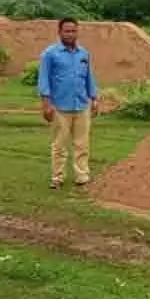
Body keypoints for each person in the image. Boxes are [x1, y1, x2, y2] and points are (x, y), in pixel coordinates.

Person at [37, 17, 99, 189]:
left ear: (77, 32)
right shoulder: (50, 54)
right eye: (67, 31)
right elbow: (44, 80)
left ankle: (82, 175)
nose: (71, 34)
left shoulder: (83, 54)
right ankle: (57, 177)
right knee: (59, 144)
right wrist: (46, 104)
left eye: (74, 31)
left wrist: (94, 98)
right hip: (59, 106)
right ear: (60, 32)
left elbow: (89, 78)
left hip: (81, 105)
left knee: (82, 143)